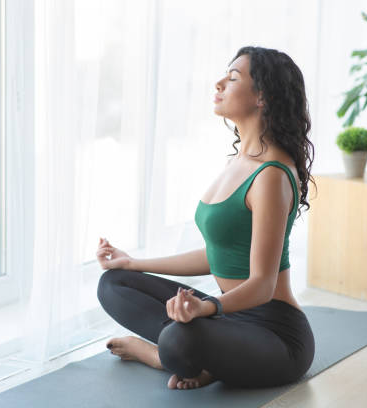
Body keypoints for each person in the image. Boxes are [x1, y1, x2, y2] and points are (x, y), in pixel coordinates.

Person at [96, 46, 316, 390]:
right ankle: (203, 360)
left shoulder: (271, 175)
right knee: (114, 284)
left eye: (232, 79)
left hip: (276, 334)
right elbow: (218, 255)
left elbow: (263, 284)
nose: (218, 84)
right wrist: (134, 262)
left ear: (263, 97)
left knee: (177, 341)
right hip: (228, 318)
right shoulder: (238, 162)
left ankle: (160, 355)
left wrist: (207, 307)